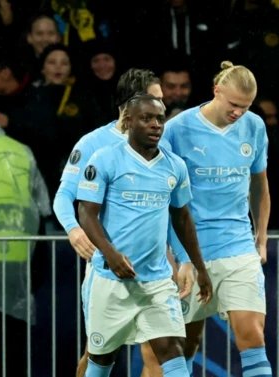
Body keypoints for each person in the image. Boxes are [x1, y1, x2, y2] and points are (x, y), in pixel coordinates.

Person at [52, 68, 196, 377]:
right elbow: (64, 196)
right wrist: (74, 230)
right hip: (108, 267)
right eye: (155, 100)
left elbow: (170, 211)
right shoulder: (94, 144)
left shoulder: (161, 147)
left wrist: (183, 259)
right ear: (132, 105)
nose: (161, 110)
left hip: (154, 271)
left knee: (160, 350)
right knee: (100, 353)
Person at [76, 94, 212, 377]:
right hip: (112, 281)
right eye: (147, 118)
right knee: (100, 360)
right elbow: (86, 214)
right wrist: (110, 255)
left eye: (160, 119)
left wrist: (199, 267)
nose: (156, 125)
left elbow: (182, 218)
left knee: (173, 351)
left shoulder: (175, 166)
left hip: (157, 282)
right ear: (128, 122)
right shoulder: (105, 159)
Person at [156, 61, 272, 377]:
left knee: (252, 337)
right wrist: (171, 256)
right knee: (183, 347)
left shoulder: (254, 126)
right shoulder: (176, 130)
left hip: (238, 246)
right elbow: (163, 198)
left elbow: (259, 183)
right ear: (216, 91)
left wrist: (260, 239)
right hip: (191, 253)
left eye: (245, 107)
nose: (239, 113)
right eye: (234, 105)